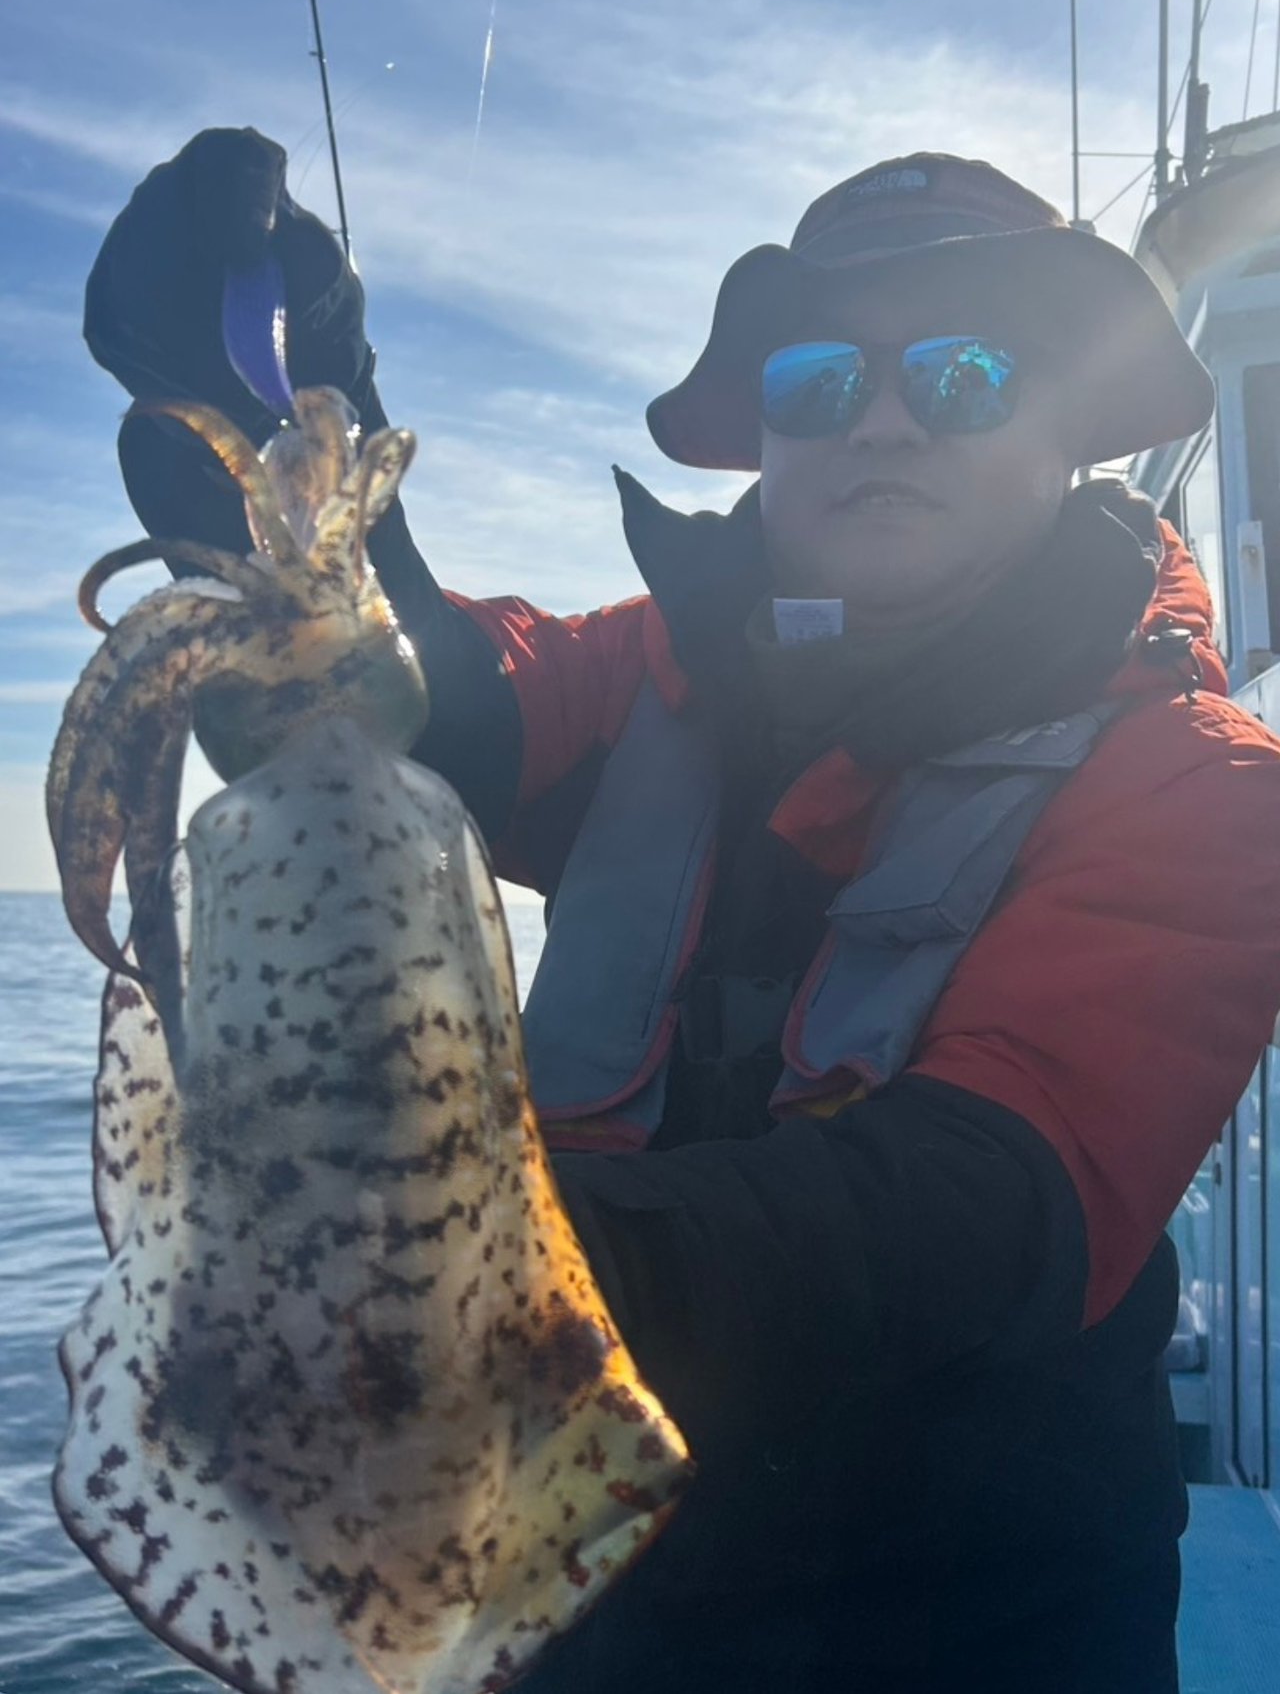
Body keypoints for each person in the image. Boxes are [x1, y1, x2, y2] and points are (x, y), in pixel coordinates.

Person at [84, 130, 1280, 1693]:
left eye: (968, 374)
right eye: (819, 383)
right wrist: (273, 425)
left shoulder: (1204, 781)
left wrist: (416, 1269)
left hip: (969, 1627)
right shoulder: (643, 671)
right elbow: (415, 704)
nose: (885, 421)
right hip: (573, 1604)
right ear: (766, 439)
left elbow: (979, 1213)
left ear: (1071, 427)